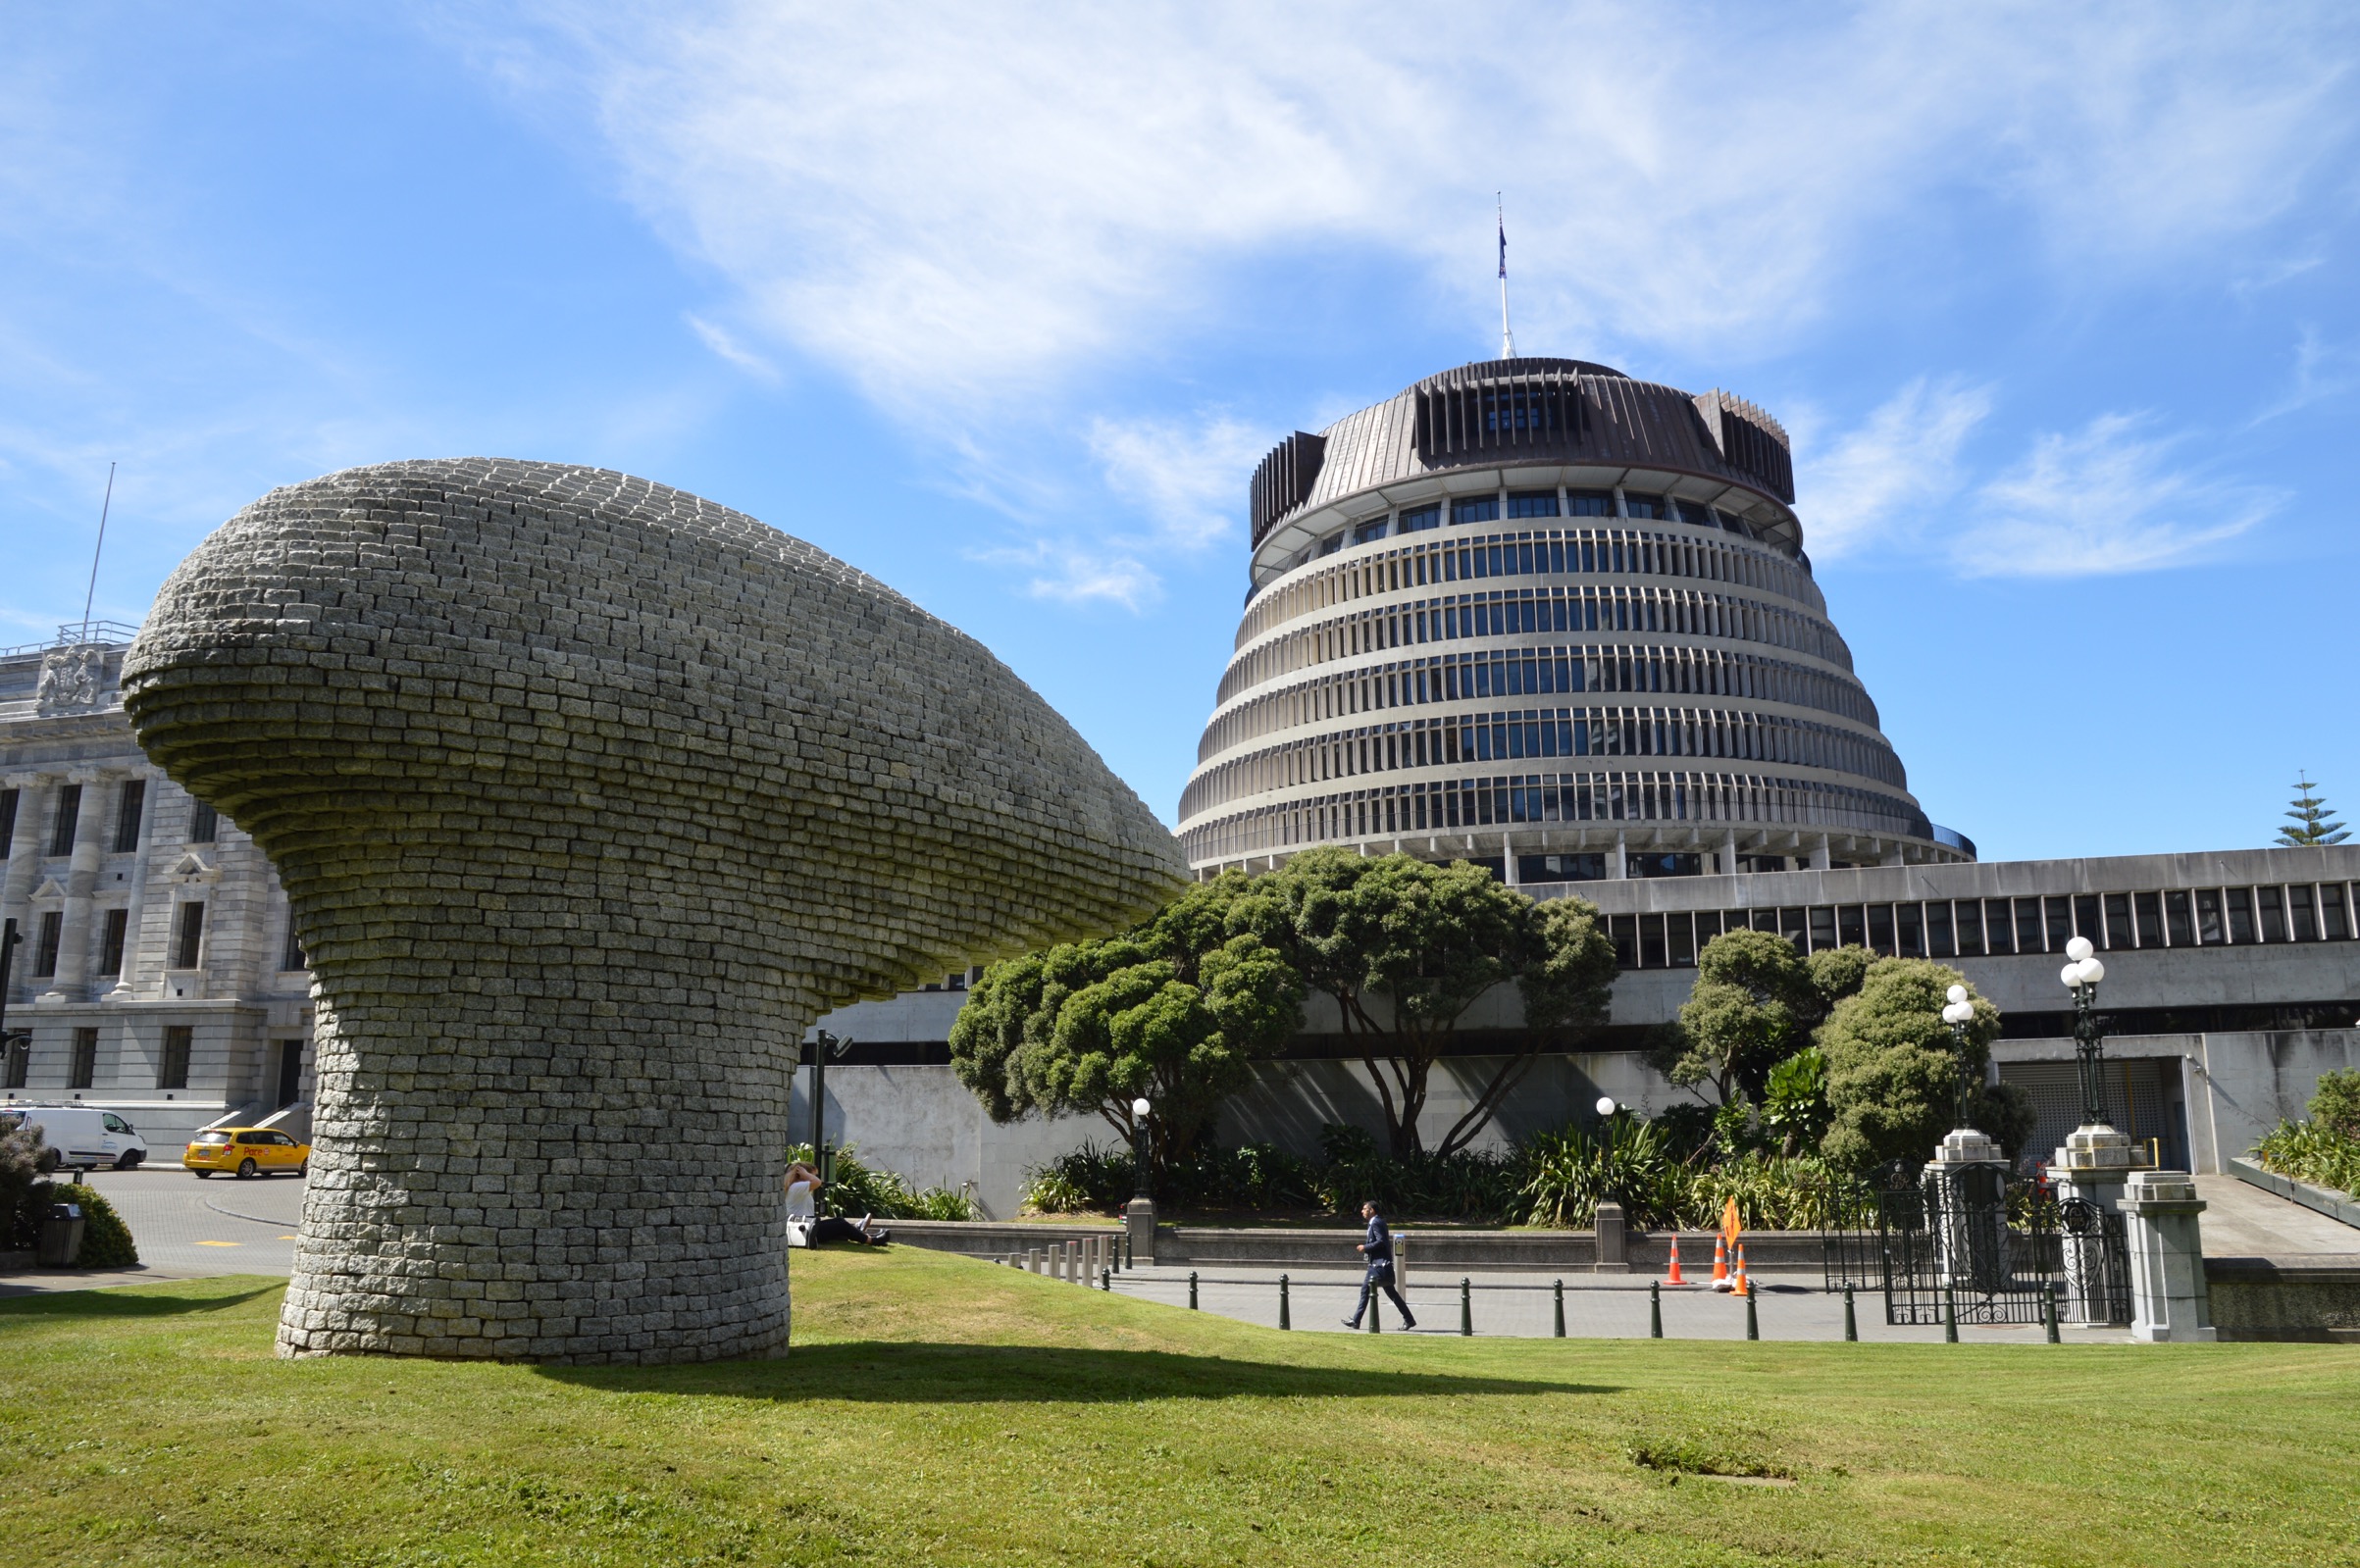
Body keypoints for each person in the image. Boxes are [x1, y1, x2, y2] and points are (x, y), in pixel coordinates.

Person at [1342, 1199, 1414, 1330]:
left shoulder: (1376, 1223)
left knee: (1366, 1290)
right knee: (1391, 1293)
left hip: (1378, 1266)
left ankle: (1356, 1321)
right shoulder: (1377, 1222)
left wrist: (1365, 1247)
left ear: (1372, 1210)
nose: (1362, 1211)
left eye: (1364, 1209)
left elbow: (1381, 1241)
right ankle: (1409, 1319)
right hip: (1380, 1265)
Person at [786, 1161, 890, 1245]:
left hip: (807, 1227)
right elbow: (817, 1182)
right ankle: (871, 1240)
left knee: (839, 1222)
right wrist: (806, 1174)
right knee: (841, 1225)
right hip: (805, 1231)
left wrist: (806, 1174)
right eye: (812, 1174)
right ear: (802, 1175)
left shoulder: (797, 1188)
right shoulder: (796, 1187)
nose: (815, 1177)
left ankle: (857, 1230)